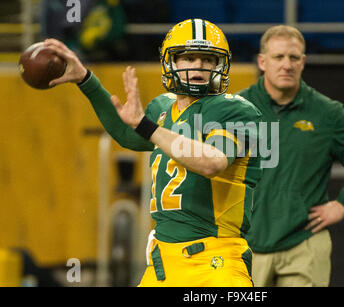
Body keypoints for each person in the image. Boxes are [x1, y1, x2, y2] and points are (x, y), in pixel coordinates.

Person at [44, 19, 262, 287]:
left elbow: (212, 162)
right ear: (171, 62)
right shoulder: (162, 107)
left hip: (215, 263)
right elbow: (128, 136)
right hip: (163, 263)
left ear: (219, 66)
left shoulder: (235, 110)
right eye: (188, 58)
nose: (198, 66)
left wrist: (146, 126)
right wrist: (85, 80)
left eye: (207, 60)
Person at [237, 25, 344, 287]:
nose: (287, 65)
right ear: (262, 61)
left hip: (303, 244)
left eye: (294, 58)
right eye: (278, 57)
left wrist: (342, 204)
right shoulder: (234, 109)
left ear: (303, 62)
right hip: (242, 246)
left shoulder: (328, 114)